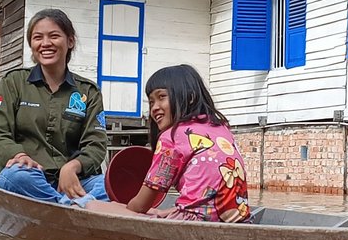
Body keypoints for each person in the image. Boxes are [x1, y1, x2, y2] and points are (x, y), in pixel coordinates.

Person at [87, 64, 250, 222]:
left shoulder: (171, 137)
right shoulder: (221, 128)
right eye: (151, 102)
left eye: (161, 97)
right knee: (156, 211)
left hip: (195, 220)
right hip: (237, 218)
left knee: (93, 206)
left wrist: (119, 207)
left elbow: (140, 205)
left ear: (190, 97)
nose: (154, 108)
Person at [0, 8, 109, 206]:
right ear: (31, 44)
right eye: (37, 38)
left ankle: (67, 203)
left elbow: (96, 144)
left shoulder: (88, 92)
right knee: (14, 178)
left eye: (54, 36)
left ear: (70, 41)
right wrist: (18, 155)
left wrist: (73, 167)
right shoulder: (14, 82)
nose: (45, 44)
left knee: (110, 185)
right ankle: (74, 206)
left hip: (73, 180)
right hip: (28, 177)